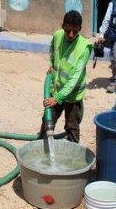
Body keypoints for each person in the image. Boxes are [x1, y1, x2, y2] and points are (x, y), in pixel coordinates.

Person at [39, 11, 93, 144]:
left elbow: (74, 79)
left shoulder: (83, 48)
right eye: (68, 30)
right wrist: (52, 64)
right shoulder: (57, 35)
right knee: (47, 120)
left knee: (72, 126)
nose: (71, 35)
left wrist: (58, 98)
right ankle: (40, 148)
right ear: (62, 26)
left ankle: (73, 157)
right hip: (56, 89)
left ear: (80, 29)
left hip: (73, 95)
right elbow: (52, 49)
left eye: (75, 31)